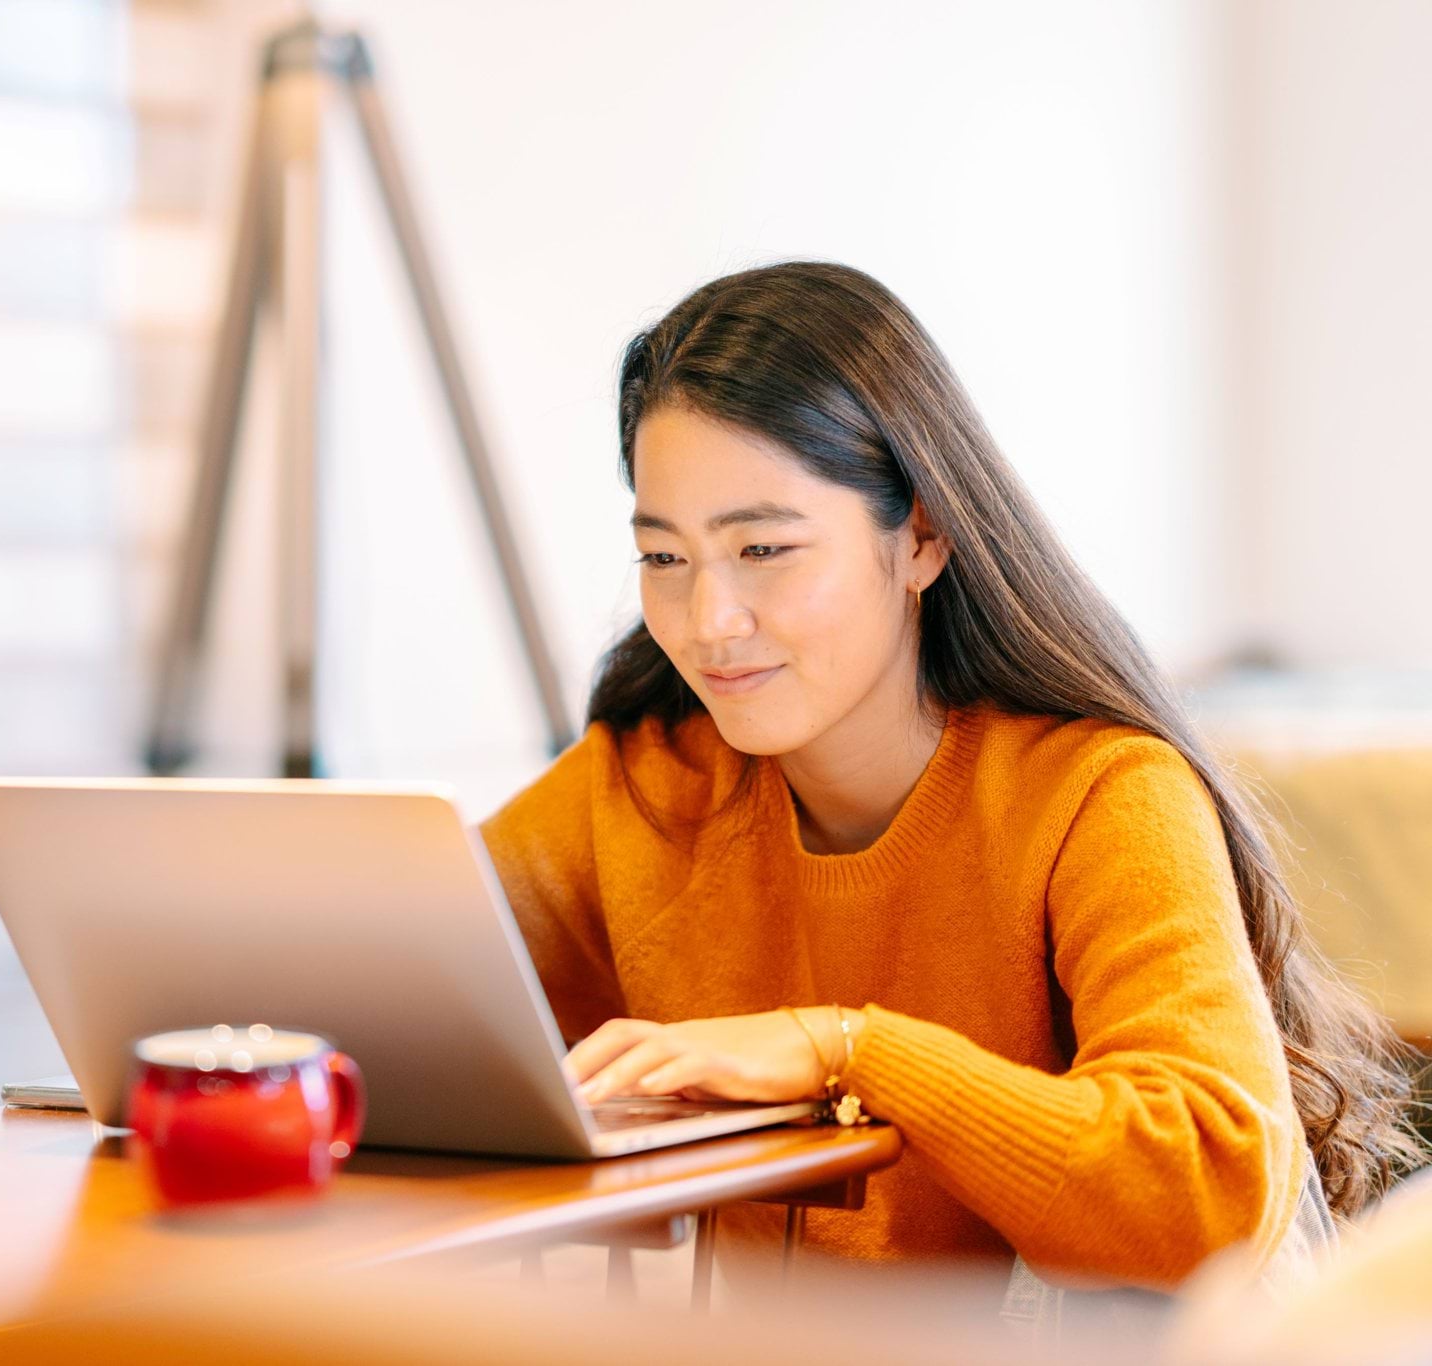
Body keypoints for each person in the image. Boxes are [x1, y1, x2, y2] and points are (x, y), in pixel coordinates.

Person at [476, 262, 1420, 1303]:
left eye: (762, 548)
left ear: (920, 534)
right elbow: (405, 983)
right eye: (663, 558)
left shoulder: (1099, 793)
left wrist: (848, 1048)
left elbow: (1206, 1186)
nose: (708, 622)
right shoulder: (646, 786)